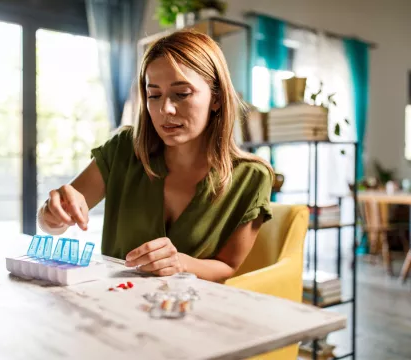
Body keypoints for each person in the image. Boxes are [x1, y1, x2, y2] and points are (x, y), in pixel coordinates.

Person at [37, 29, 274, 283]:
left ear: (216, 98)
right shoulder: (124, 149)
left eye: (181, 94)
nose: (165, 109)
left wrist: (180, 263)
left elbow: (228, 266)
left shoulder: (251, 177)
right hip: (114, 304)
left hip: (189, 309)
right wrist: (52, 214)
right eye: (154, 95)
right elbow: (54, 223)